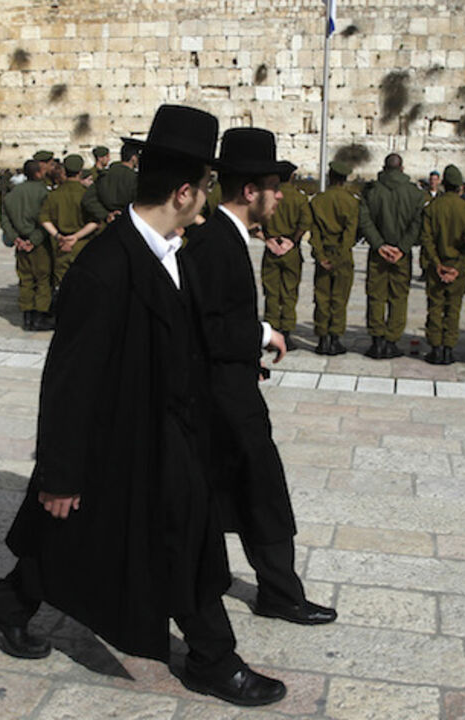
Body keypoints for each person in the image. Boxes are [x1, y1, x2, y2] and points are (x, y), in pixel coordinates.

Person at [0, 104, 286, 708]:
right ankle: (213, 659)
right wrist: (60, 474)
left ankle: (5, 603)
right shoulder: (106, 268)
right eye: (204, 189)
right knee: (179, 538)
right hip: (125, 440)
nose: (206, 203)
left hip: (167, 434)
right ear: (185, 191)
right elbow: (67, 381)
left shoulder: (169, 251)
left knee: (115, 536)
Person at [183, 126, 337, 633]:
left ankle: (267, 586)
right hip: (225, 399)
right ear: (251, 191)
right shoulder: (214, 243)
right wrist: (262, 335)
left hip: (226, 392)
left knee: (227, 495)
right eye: (275, 185)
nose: (280, 195)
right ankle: (279, 594)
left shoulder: (222, 237)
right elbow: (208, 327)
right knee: (262, 493)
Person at [358, 153, 424, 359]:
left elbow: (365, 220)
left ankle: (377, 341)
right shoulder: (415, 193)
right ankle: (391, 341)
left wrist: (379, 245)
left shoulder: (372, 191)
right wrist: (402, 248)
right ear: (401, 168)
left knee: (376, 296)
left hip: (378, 253)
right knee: (398, 297)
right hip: (401, 255)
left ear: (384, 168)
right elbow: (417, 224)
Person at [420, 164, 465, 365]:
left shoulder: (433, 207)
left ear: (444, 184)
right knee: (453, 308)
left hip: (437, 266)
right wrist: (457, 268)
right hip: (457, 268)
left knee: (435, 307)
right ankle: (448, 349)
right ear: (460, 186)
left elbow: (426, 239)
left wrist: (437, 263)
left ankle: (435, 347)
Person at [308, 160, 360, 355]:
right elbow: (349, 235)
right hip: (343, 258)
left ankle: (322, 339)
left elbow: (314, 233)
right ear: (344, 179)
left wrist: (321, 256)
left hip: (324, 255)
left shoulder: (317, 201)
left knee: (322, 298)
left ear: (330, 177)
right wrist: (338, 259)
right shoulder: (352, 202)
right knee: (339, 298)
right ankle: (335, 339)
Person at [260, 170, 311, 349]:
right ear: (292, 176)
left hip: (272, 248)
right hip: (291, 250)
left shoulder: (269, 196)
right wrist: (292, 240)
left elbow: (259, 219)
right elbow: (305, 223)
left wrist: (268, 239)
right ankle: (287, 333)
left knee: (272, 293)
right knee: (289, 293)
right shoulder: (299, 198)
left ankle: (271, 331)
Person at [1, 159, 54, 331]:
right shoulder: (44, 193)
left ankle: (27, 317)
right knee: (43, 280)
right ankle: (40, 317)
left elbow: (5, 220)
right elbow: (46, 219)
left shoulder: (12, 193)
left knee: (25, 279)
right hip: (38, 245)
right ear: (38, 173)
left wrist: (16, 238)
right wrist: (34, 240)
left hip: (20, 245)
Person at [40, 154, 101, 288]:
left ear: (64, 171)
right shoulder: (87, 194)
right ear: (80, 171)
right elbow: (95, 221)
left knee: (63, 286)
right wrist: (75, 237)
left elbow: (44, 219)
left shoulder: (54, 195)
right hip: (83, 244)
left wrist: (59, 236)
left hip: (61, 246)